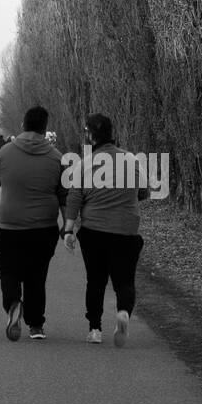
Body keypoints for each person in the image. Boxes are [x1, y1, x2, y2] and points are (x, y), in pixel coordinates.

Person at [63, 114, 150, 347]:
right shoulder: (131, 160)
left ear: (91, 136)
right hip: (126, 230)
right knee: (125, 281)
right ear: (112, 133)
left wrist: (68, 230)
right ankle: (123, 312)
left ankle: (94, 329)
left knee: (96, 280)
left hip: (94, 231)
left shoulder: (85, 163)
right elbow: (144, 192)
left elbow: (74, 197)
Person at [0, 107, 65, 341]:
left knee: (9, 270)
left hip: (11, 227)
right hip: (44, 228)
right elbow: (64, 194)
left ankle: (13, 303)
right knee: (37, 276)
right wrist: (68, 225)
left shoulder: (5, 153)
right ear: (44, 128)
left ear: (22, 125)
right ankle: (36, 325)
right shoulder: (56, 157)